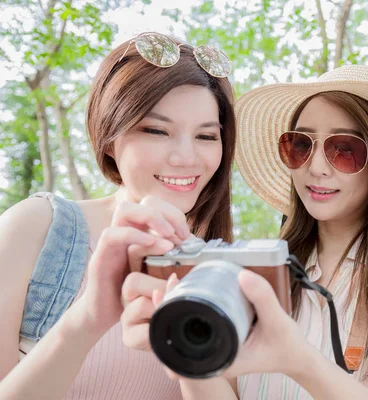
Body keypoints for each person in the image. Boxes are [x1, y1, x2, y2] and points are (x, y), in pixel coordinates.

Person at [121, 65, 368, 400]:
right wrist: (183, 339)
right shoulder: (255, 270)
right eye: (301, 144)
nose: (316, 167)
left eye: (344, 149)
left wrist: (299, 360)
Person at [0, 32, 236, 399]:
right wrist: (87, 319)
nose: (186, 157)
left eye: (206, 136)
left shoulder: (219, 267)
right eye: (157, 131)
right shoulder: (38, 227)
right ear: (109, 136)